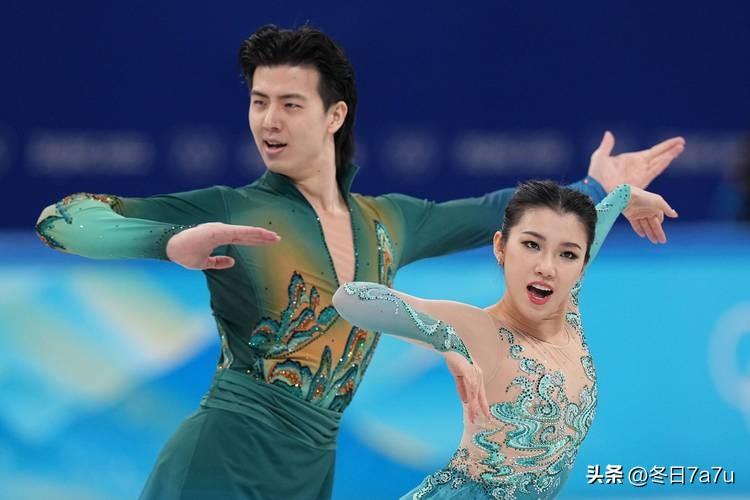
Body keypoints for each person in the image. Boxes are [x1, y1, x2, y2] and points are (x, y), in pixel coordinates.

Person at [34, 24, 685, 500]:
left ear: (334, 115)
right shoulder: (233, 208)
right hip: (220, 463)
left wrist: (598, 188)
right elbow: (64, 222)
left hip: (312, 472)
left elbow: (496, 211)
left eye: (290, 103)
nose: (268, 120)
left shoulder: (389, 221)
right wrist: (167, 242)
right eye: (259, 101)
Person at [333, 180, 677, 499]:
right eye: (531, 245)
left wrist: (624, 196)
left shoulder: (567, 305)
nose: (547, 267)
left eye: (567, 255)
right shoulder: (481, 330)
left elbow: (592, 230)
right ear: (500, 247)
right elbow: (350, 298)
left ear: (583, 264)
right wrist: (446, 341)